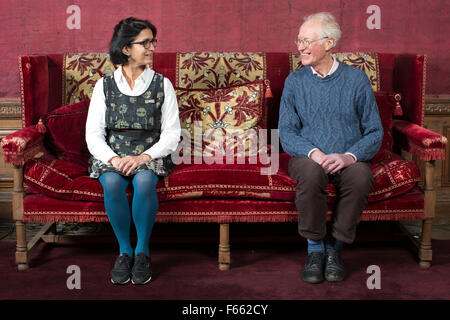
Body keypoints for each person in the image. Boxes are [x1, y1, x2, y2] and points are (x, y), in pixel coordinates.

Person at [279, 12, 383, 284]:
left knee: (361, 176)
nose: (300, 46)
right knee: (312, 175)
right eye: (298, 40)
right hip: (307, 156)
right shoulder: (295, 81)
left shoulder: (357, 80)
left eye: (306, 41)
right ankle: (315, 249)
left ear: (329, 43)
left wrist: (348, 156)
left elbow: (374, 131)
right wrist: (316, 153)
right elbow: (287, 132)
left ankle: (335, 248)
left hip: (348, 156)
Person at [86, 17, 181, 285]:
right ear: (126, 48)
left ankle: (142, 251)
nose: (152, 48)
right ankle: (124, 252)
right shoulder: (104, 86)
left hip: (150, 152)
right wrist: (113, 159)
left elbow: (172, 134)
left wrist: (143, 157)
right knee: (113, 182)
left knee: (143, 179)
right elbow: (93, 133)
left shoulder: (162, 84)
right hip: (112, 153)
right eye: (145, 43)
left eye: (153, 42)